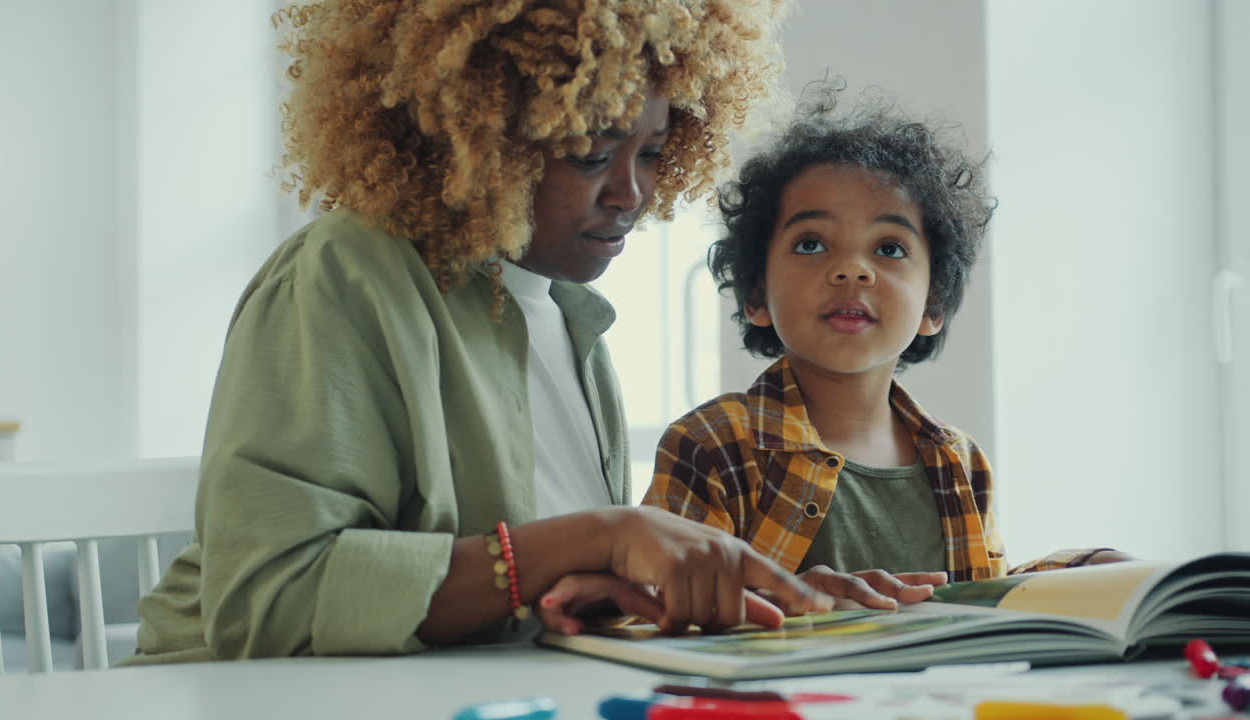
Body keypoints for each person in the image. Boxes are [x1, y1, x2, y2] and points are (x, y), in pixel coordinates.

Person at [121, 1, 924, 665]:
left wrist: (790, 601)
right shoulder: (348, 272)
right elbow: (271, 596)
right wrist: (606, 534)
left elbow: (539, 600)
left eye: (650, 152)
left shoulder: (571, 322)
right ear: (480, 135)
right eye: (591, 153)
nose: (630, 193)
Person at [642, 85, 1129, 594]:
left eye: (889, 248)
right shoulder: (713, 445)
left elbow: (977, 601)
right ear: (757, 294)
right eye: (811, 243)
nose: (852, 269)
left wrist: (1087, 572)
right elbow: (654, 610)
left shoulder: (960, 462)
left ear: (933, 306)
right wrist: (795, 606)